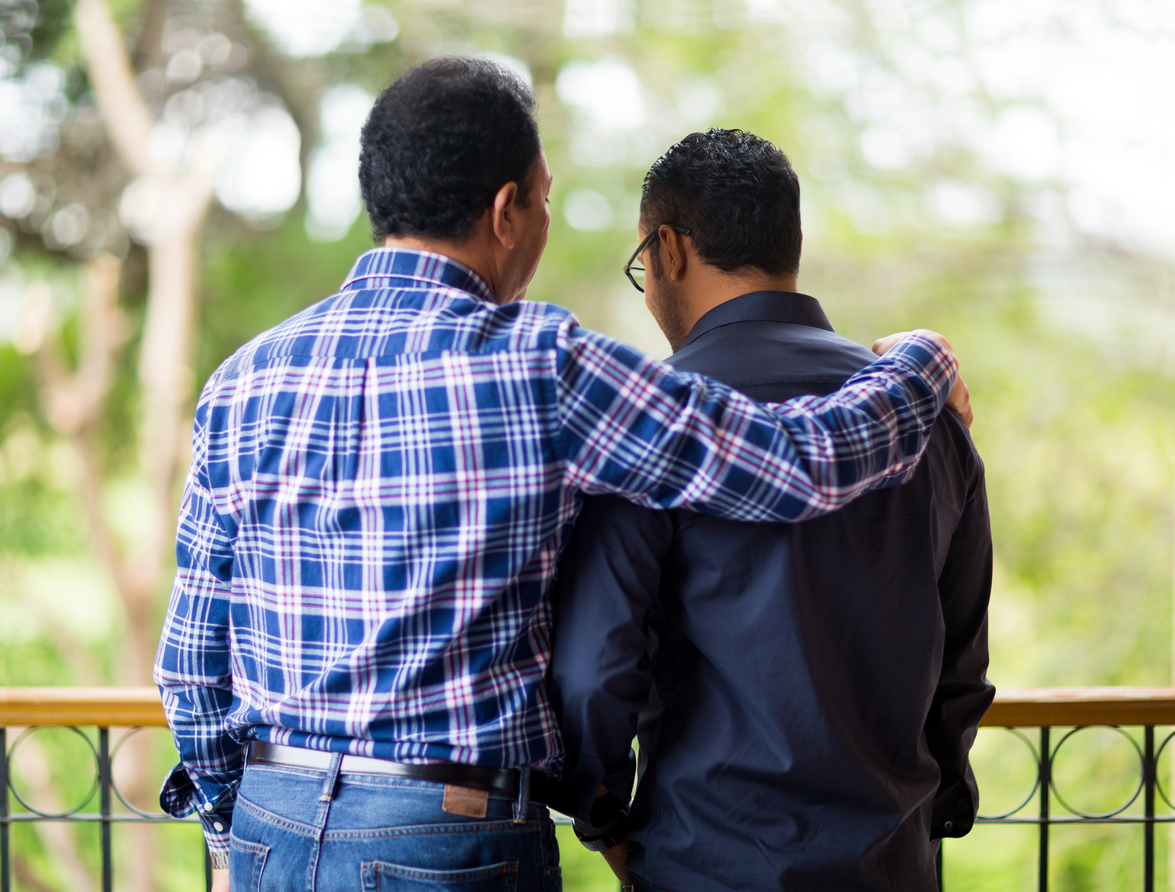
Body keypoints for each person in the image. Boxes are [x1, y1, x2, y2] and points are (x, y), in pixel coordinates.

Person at [153, 60, 969, 892]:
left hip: (271, 818)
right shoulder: (540, 365)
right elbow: (800, 465)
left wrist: (229, 827)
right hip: (446, 835)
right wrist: (922, 362)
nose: (544, 219)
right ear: (507, 211)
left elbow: (190, 663)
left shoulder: (245, 378)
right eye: (544, 199)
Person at [548, 129, 994, 891]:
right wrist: (932, 803)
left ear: (668, 250)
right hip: (891, 865)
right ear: (788, 243)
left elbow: (595, 670)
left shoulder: (650, 422)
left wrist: (602, 816)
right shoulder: (928, 418)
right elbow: (960, 664)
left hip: (705, 861)